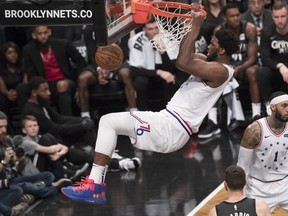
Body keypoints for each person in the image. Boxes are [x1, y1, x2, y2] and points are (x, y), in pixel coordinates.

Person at [61, 10, 240, 204]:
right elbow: (185, 55)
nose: (209, 46)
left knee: (107, 122)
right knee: (109, 123)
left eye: (213, 44)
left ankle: (94, 186)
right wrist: (183, 25)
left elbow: (183, 61)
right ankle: (95, 185)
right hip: (169, 122)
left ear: (221, 51)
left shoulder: (220, 71)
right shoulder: (210, 62)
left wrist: (195, 25)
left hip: (172, 127)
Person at [199, 3, 261, 138]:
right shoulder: (219, 31)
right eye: (232, 16)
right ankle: (213, 121)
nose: (236, 18)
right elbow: (214, 56)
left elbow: (252, 58)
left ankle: (257, 114)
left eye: (238, 15)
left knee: (253, 71)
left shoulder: (249, 28)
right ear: (225, 18)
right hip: (226, 66)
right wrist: (227, 69)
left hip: (244, 66)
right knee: (212, 75)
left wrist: (238, 68)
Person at [20, 76, 97, 165]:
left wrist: (82, 120)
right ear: (34, 92)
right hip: (51, 144)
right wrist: (81, 125)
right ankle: (101, 155)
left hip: (58, 138)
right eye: (44, 90)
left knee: (87, 125)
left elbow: (59, 118)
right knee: (86, 156)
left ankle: (102, 152)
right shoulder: (33, 110)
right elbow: (54, 128)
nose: (48, 93)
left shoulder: (41, 102)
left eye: (48, 89)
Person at [237, 91, 288, 213]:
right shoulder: (254, 130)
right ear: (273, 107)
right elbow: (242, 165)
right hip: (259, 189)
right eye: (284, 105)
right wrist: (241, 195)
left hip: (285, 185)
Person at [20, 25, 87, 116]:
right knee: (25, 88)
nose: (43, 36)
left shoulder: (62, 44)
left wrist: (78, 85)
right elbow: (31, 73)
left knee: (61, 85)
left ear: (49, 32)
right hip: (44, 83)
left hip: (65, 81)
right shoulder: (28, 49)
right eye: (39, 34)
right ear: (34, 35)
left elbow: (81, 61)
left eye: (45, 33)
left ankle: (67, 120)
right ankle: (34, 120)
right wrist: (42, 87)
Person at [128, 17, 179, 111]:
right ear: (144, 30)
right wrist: (159, 72)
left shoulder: (167, 37)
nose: (155, 32)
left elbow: (172, 68)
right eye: (150, 29)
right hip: (146, 74)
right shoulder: (136, 40)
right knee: (140, 81)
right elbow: (134, 70)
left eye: (156, 28)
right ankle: (143, 115)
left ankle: (170, 114)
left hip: (163, 73)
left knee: (172, 79)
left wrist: (162, 50)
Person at [20, 115, 89, 181]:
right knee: (45, 138)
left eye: (35, 125)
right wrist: (59, 149)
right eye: (29, 126)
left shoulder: (39, 137)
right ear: (24, 130)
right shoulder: (24, 142)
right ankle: (63, 171)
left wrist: (59, 154)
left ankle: (67, 166)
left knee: (47, 136)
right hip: (35, 172)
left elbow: (65, 148)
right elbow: (51, 150)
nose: (33, 128)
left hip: (45, 166)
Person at [257, 1, 288, 116]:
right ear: (272, 17)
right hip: (276, 70)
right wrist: (280, 66)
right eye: (276, 17)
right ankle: (269, 108)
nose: (280, 20)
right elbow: (264, 58)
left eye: (283, 16)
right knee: (262, 72)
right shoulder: (267, 32)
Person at [0, 41, 28, 134]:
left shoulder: (23, 63)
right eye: (9, 53)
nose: (13, 55)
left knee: (22, 88)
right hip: (8, 96)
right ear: (4, 55)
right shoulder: (1, 68)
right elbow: (2, 88)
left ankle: (26, 127)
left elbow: (25, 83)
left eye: (15, 52)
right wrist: (8, 93)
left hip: (22, 94)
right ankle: (8, 131)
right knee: (2, 98)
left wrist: (18, 91)